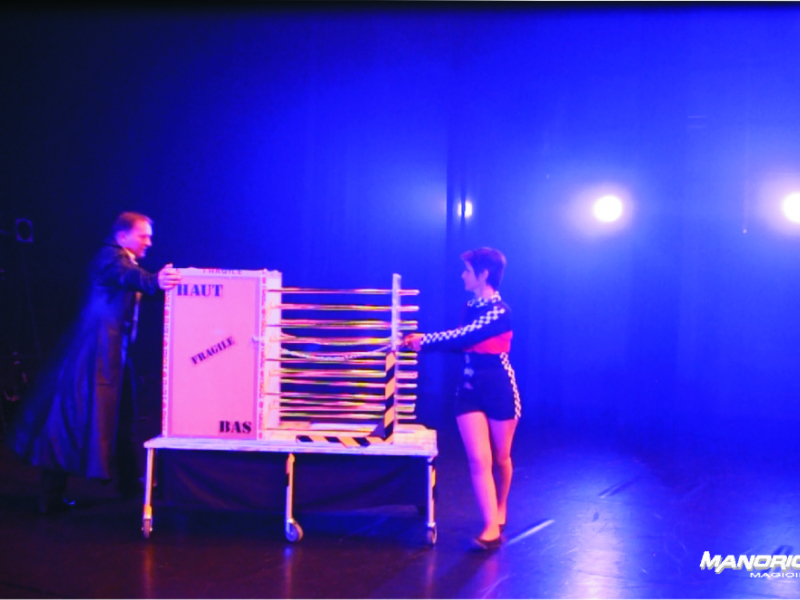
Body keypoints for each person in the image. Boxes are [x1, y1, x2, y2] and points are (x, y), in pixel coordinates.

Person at [8, 212, 181, 513]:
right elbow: (130, 278)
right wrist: (155, 280)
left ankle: (130, 485)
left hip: (111, 356)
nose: (149, 242)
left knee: (124, 417)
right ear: (122, 236)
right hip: (89, 358)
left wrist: (160, 284)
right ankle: (51, 496)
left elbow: (135, 283)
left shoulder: (122, 260)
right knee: (67, 421)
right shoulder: (110, 258)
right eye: (143, 235)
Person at [404, 247, 520, 550]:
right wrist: (421, 343)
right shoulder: (469, 307)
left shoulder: (501, 311)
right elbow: (460, 342)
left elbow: (466, 336)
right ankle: (490, 527)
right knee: (479, 459)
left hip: (499, 388)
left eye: (467, 270)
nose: (462, 276)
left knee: (501, 458)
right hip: (469, 387)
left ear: (483, 274)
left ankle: (501, 505)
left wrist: (425, 340)